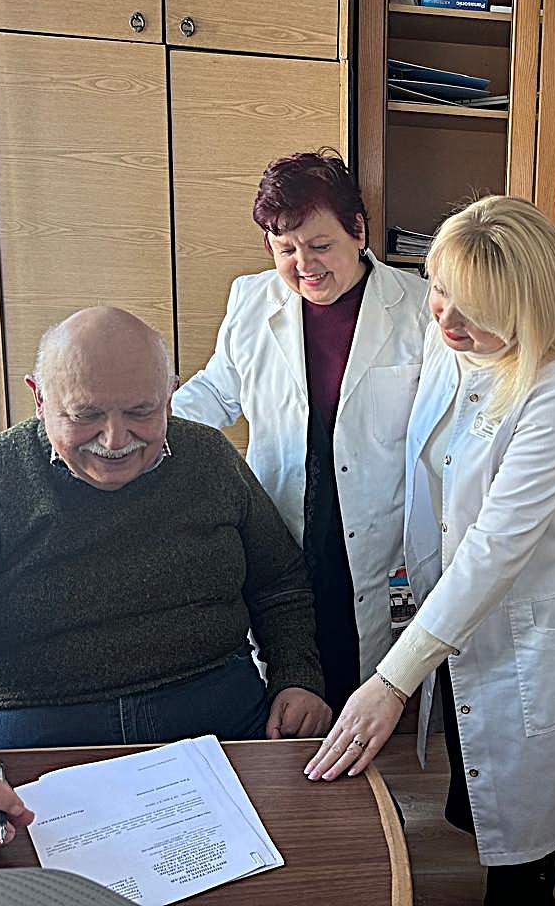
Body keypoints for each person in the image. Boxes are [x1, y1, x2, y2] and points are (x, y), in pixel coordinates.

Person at [0, 307, 330, 860]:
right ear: (39, 399)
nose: (115, 439)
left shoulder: (210, 460)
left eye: (141, 412)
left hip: (218, 721)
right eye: (86, 414)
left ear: (169, 396)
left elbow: (280, 584)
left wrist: (297, 677)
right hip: (32, 736)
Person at [303, 196, 555, 904]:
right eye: (441, 291)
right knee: (480, 786)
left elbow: (494, 549)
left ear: (528, 309)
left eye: (474, 310)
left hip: (529, 633)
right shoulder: (447, 345)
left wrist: (392, 680)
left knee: (527, 829)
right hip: (453, 622)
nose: (447, 319)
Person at [173, 149, 428, 715]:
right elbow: (218, 391)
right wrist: (152, 427)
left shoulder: (416, 307)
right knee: (294, 675)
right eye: (285, 249)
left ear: (357, 230)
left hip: (381, 531)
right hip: (285, 521)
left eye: (320, 246)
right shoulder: (251, 299)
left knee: (373, 682)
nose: (304, 265)